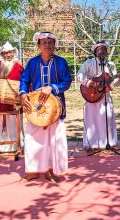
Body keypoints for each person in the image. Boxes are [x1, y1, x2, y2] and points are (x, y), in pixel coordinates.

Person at [19, 32, 72, 182]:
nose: (47, 45)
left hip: (55, 108)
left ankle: (51, 170)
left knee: (53, 140)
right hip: (35, 107)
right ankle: (32, 171)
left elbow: (67, 81)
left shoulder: (61, 62)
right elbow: (24, 81)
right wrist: (23, 94)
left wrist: (52, 87)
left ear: (54, 45)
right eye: (44, 42)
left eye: (50, 42)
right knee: (32, 139)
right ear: (38, 45)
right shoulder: (32, 63)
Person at [77, 41, 120, 152]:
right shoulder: (89, 63)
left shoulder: (111, 65)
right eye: (99, 49)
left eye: (104, 48)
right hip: (91, 95)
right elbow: (79, 75)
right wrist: (89, 83)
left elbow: (114, 82)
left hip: (106, 96)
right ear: (95, 51)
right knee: (91, 120)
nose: (101, 50)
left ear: (106, 52)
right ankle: (90, 143)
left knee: (108, 118)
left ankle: (111, 143)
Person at [0, 42, 24, 153]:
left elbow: (24, 82)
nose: (8, 55)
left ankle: (15, 146)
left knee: (14, 122)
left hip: (14, 101)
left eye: (10, 52)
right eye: (6, 53)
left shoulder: (19, 67)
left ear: (13, 53)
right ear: (2, 54)